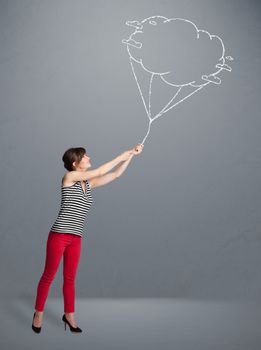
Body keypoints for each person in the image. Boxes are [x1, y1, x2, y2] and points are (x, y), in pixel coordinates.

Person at [32, 143, 144, 333]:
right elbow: (100, 171)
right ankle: (38, 314)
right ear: (75, 163)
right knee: (48, 276)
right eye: (85, 156)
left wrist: (132, 155)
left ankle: (69, 315)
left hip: (76, 238)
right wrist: (121, 154)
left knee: (70, 279)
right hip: (59, 235)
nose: (88, 157)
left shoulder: (88, 184)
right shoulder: (69, 177)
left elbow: (115, 175)